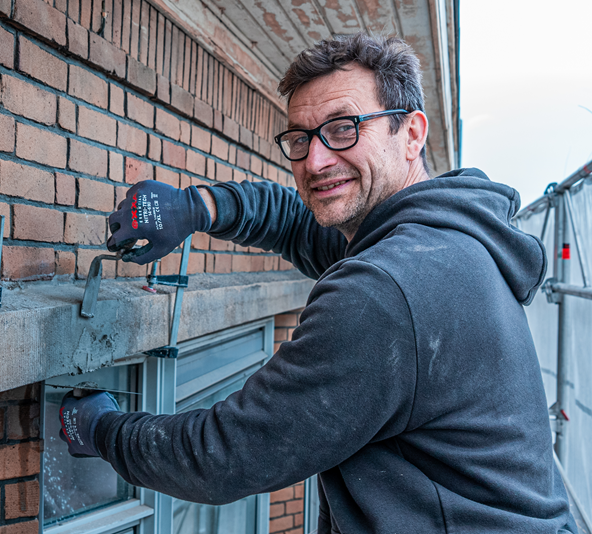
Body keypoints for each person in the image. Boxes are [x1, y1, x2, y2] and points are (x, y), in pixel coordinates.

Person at [60, 33, 577, 533]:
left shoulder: (387, 291)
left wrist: (101, 429)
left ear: (412, 133)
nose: (316, 160)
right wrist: (199, 207)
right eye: (301, 139)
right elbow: (297, 223)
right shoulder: (443, 240)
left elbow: (227, 455)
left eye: (344, 128)